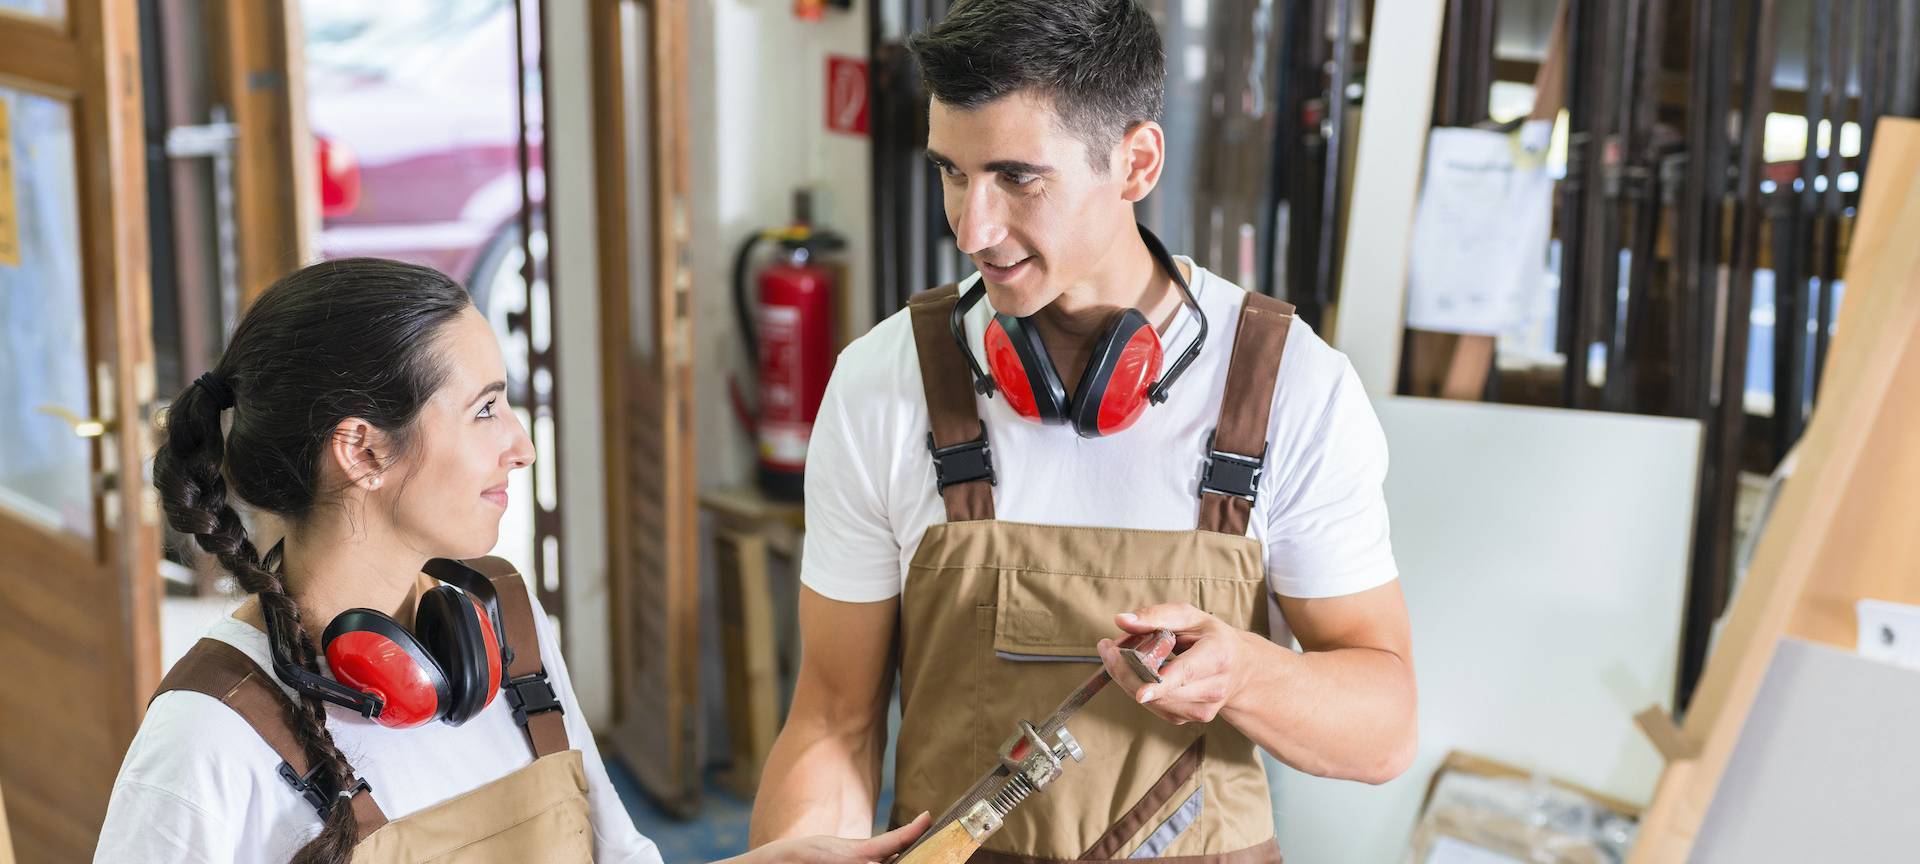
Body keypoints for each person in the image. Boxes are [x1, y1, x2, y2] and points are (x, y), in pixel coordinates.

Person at [748, 1, 1416, 861]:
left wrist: (1248, 674)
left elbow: (1385, 729)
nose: (972, 227)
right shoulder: (885, 382)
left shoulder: (1292, 388)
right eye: (952, 172)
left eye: (1017, 177)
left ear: (1135, 161)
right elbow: (835, 719)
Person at [94, 258, 929, 864]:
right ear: (362, 450)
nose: (522, 445)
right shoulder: (208, 739)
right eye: (486, 410)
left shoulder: (503, 626)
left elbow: (619, 855)